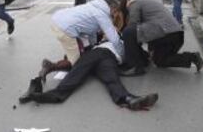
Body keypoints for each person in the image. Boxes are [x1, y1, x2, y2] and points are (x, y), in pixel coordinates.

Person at [18, 41, 158, 110]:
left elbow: (144, 58)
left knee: (111, 78)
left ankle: (128, 99)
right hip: (97, 52)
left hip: (110, 58)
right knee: (77, 73)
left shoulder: (130, 43)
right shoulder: (108, 38)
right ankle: (53, 95)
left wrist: (148, 57)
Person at [38, 0, 124, 81]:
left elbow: (91, 32)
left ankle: (58, 62)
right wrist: (122, 56)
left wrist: (93, 46)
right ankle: (50, 66)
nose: (114, 14)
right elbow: (114, 38)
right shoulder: (102, 15)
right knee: (77, 62)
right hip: (65, 29)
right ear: (112, 8)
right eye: (115, 11)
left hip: (57, 20)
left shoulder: (94, 6)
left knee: (78, 50)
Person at [119, 0, 203, 76]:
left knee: (128, 32)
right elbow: (148, 29)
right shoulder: (148, 3)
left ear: (127, 0)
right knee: (160, 61)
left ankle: (134, 67)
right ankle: (193, 57)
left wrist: (124, 41)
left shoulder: (134, 3)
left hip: (165, 34)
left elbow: (133, 26)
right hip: (176, 36)